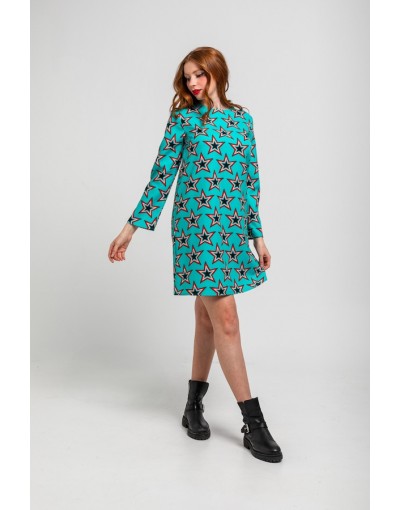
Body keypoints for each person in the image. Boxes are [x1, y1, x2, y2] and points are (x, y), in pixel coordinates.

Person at [108, 47, 283, 463]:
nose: (193, 83)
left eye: (199, 74)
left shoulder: (242, 120)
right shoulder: (183, 120)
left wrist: (257, 236)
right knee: (227, 319)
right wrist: (130, 228)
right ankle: (254, 422)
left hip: (231, 232)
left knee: (207, 320)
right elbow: (162, 175)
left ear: (217, 72)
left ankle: (192, 406)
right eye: (187, 77)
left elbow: (250, 182)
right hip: (196, 232)